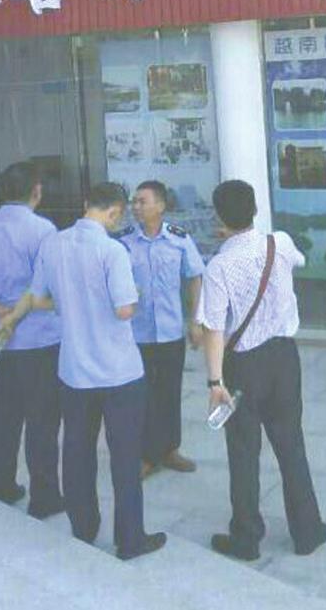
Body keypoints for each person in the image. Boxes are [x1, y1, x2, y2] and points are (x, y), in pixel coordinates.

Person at [0, 182, 166, 560]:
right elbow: (124, 309)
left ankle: (84, 528)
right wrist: (135, 296)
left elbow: (37, 298)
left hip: (74, 371)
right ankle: (130, 539)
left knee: (77, 452)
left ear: (87, 203)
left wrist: (67, 304)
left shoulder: (53, 244)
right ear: (115, 212)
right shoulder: (112, 250)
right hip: (119, 373)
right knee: (124, 457)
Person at [197, 179, 326, 561]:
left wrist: (215, 380)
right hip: (284, 357)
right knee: (291, 444)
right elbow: (300, 260)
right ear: (255, 210)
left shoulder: (219, 266)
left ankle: (247, 537)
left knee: (243, 451)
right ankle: (307, 530)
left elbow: (213, 327)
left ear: (219, 217)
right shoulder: (279, 243)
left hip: (243, 365)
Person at [0, 161, 63, 516]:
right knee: (42, 422)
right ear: (36, 191)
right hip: (38, 340)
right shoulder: (44, 231)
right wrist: (15, 315)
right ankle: (44, 497)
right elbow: (44, 287)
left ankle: (0, 487)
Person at [119, 180, 205, 478]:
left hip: (170, 331)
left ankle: (169, 449)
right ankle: (146, 455)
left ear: (160, 205)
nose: (136, 207)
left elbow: (195, 277)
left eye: (142, 201)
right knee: (141, 395)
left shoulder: (179, 239)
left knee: (169, 391)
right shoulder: (124, 242)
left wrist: (195, 321)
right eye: (134, 202)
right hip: (136, 333)